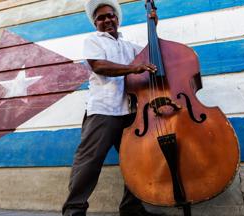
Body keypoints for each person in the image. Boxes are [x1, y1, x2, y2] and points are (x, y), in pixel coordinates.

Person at [62, 0, 162, 215]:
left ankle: (131, 208)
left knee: (135, 162)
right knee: (89, 162)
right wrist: (134, 68)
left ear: (117, 18)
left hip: (130, 112)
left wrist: (154, 25)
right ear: (95, 23)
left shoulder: (129, 46)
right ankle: (74, 210)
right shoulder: (93, 41)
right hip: (103, 111)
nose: (107, 20)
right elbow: (100, 66)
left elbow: (151, 52)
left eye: (110, 15)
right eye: (101, 18)